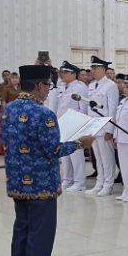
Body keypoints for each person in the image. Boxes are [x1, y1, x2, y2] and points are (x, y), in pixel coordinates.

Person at [0, 65, 95, 256]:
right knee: (40, 234)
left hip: (18, 182)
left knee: (22, 231)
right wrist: (79, 144)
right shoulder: (44, 114)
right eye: (48, 86)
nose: (48, 90)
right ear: (40, 86)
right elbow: (54, 149)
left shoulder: (8, 109)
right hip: (41, 184)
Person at [83, 56, 119, 196]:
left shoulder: (110, 85)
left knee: (107, 158)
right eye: (92, 68)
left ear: (103, 69)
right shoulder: (92, 85)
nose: (92, 70)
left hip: (104, 127)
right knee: (98, 158)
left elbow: (112, 108)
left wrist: (110, 129)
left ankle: (108, 185)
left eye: (95, 68)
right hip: (93, 126)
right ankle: (99, 183)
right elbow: (89, 108)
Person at [53, 62, 89, 192]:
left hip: (75, 123)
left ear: (74, 74)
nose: (63, 75)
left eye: (66, 72)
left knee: (76, 154)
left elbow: (83, 107)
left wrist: (82, 124)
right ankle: (67, 179)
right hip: (63, 123)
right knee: (64, 154)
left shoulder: (80, 87)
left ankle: (79, 182)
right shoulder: (63, 87)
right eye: (62, 72)